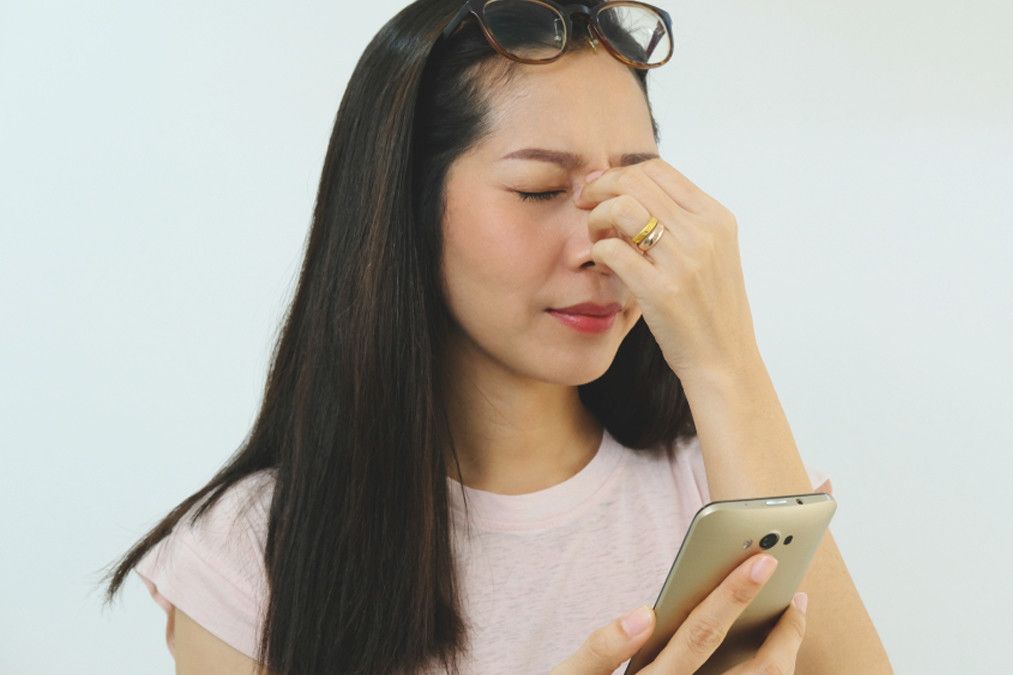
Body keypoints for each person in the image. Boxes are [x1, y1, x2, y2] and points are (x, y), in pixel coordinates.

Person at [98, 1, 878, 673]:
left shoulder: (725, 482)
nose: (604, 244)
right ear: (406, 205)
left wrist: (725, 357)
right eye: (540, 189)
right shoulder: (246, 556)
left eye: (636, 188)